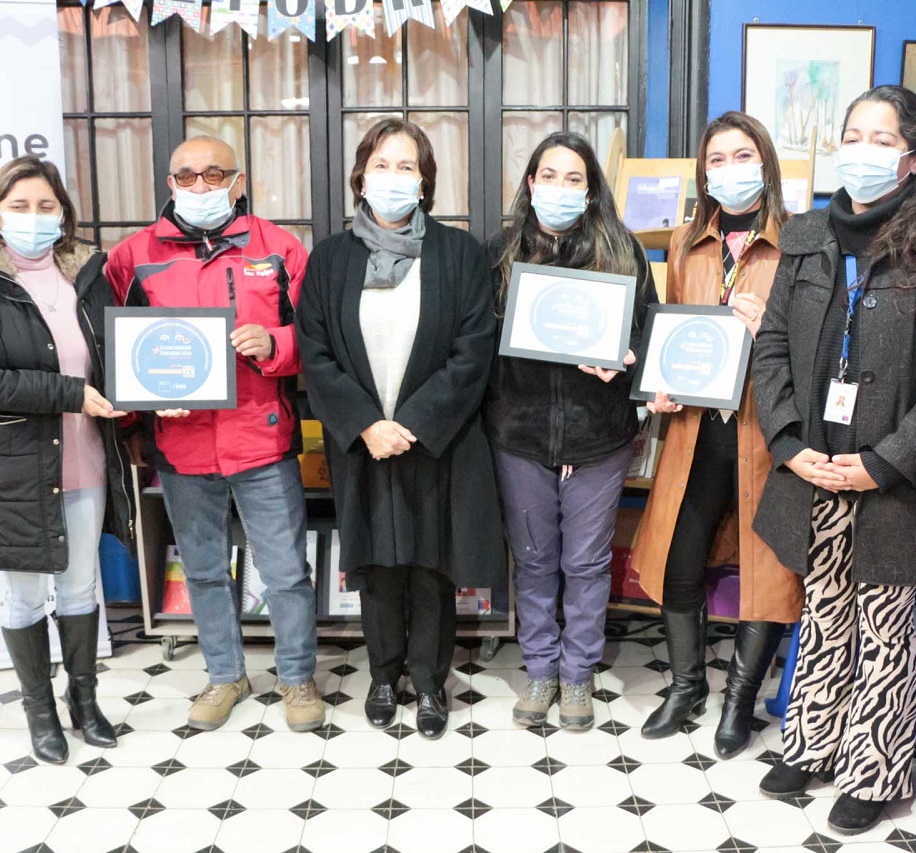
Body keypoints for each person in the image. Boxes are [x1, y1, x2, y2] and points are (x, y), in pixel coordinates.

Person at [750, 85, 916, 834]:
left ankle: (875, 768)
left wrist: (885, 462)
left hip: (895, 473)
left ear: (915, 156)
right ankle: (813, 739)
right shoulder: (807, 233)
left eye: (880, 138)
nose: (861, 147)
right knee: (823, 606)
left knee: (884, 622)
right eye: (853, 132)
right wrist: (788, 441)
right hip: (816, 462)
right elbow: (773, 346)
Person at [105, 135, 322, 733]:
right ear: (169, 183)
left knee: (284, 571)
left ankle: (297, 676)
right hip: (181, 446)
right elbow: (112, 350)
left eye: (213, 174)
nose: (200, 186)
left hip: (263, 438)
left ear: (238, 179)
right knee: (202, 569)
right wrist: (142, 404)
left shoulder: (278, 249)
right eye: (186, 176)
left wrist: (275, 343)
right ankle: (225, 675)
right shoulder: (131, 257)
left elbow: (319, 338)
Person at [296, 118, 504, 739]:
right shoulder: (331, 258)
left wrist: (410, 423)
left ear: (425, 182)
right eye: (381, 165)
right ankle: (384, 674)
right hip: (362, 442)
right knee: (378, 562)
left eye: (406, 166)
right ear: (361, 176)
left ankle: (430, 678)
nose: (393, 177)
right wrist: (365, 424)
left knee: (431, 561)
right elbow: (315, 350)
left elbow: (474, 351)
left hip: (435, 440)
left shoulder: (458, 254)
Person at [0, 156, 132, 764]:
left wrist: (158, 395)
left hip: (87, 462)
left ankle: (84, 701)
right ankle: (39, 712)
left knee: (79, 588)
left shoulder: (89, 275)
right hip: (15, 473)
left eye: (46, 206)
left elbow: (121, 357)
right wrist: (72, 394)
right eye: (19, 206)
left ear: (63, 214)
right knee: (25, 599)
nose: (33, 217)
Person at [631, 112, 803, 748]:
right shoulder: (684, 243)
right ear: (703, 173)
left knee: (767, 572)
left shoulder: (802, 241)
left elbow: (818, 353)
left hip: (767, 433)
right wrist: (662, 380)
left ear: (765, 163)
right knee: (679, 560)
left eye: (742, 156)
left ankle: (738, 702)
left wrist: (772, 333)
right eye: (717, 160)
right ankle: (686, 685)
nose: (730, 170)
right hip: (698, 431)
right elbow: (674, 331)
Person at [487, 131, 658, 732]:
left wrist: (629, 356)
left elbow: (647, 333)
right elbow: (480, 352)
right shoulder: (500, 255)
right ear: (530, 183)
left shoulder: (622, 252)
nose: (560, 189)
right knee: (534, 561)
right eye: (549, 176)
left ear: (591, 191)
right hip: (521, 435)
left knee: (585, 564)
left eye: (574, 179)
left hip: (599, 438)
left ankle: (578, 672)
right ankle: (539, 667)